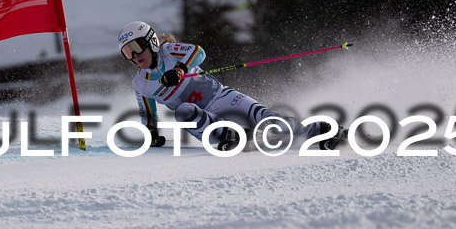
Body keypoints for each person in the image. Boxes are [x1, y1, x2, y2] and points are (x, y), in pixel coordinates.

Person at [118, 20, 343, 150]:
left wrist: (179, 70)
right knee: (183, 111)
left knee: (268, 119)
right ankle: (231, 135)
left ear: (152, 41)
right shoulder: (141, 84)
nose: (134, 55)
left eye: (137, 47)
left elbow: (198, 52)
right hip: (205, 120)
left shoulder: (169, 52)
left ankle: (316, 131)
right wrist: (151, 133)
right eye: (127, 52)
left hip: (224, 98)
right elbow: (148, 114)